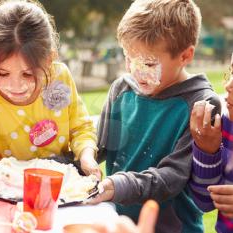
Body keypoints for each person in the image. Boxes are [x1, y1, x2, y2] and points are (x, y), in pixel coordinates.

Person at [91, 0, 221, 232]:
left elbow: (172, 177)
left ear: (185, 56)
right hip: (119, 223)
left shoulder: (202, 104)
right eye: (128, 58)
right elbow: (98, 146)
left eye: (149, 63)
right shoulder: (122, 89)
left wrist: (117, 185)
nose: (135, 71)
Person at [0, 0, 100, 191]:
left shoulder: (59, 79)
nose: (16, 86)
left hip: (59, 185)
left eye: (28, 74)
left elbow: (80, 128)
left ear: (49, 60)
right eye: (3, 73)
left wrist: (86, 157)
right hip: (7, 188)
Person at [189, 54, 233, 233]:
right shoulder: (226, 127)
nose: (228, 85)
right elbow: (205, 202)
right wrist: (207, 151)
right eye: (231, 71)